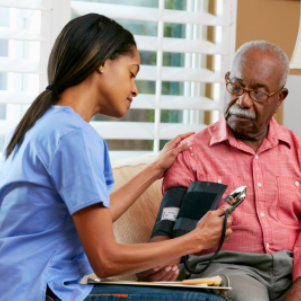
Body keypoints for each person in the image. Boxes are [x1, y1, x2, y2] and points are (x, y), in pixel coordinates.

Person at [0, 13, 233, 301]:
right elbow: (105, 260)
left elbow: (97, 217)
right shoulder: (74, 136)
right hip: (44, 291)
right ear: (102, 62)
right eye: (132, 73)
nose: (135, 89)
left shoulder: (45, 125)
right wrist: (194, 240)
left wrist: (155, 168)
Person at [140, 40, 301, 301]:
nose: (243, 101)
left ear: (279, 98)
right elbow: (166, 228)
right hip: (233, 270)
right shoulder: (191, 152)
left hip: (293, 268)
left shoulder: (297, 150)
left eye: (258, 93)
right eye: (236, 87)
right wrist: (154, 262)